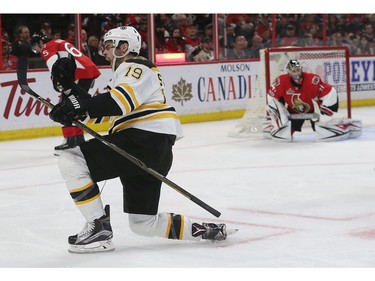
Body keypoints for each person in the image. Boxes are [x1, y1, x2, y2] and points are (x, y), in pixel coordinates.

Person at [48, 26, 231, 253]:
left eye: (108, 45)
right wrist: (68, 89)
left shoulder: (134, 67)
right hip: (154, 150)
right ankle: (206, 230)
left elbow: (117, 102)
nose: (103, 51)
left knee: (71, 158)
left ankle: (98, 228)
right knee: (143, 223)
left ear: (124, 47)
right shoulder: (128, 75)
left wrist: (75, 103)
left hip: (142, 140)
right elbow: (102, 114)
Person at [30, 32, 101, 155]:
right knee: (76, 105)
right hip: (87, 71)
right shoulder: (58, 42)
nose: (37, 50)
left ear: (40, 42)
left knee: (66, 106)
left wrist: (57, 79)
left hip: (79, 73)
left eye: (36, 46)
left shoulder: (46, 47)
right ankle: (78, 140)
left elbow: (53, 63)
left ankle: (70, 141)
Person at [264, 60, 361, 141]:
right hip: (294, 112)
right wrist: (280, 117)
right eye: (294, 71)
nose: (297, 73)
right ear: (289, 72)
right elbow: (272, 98)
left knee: (325, 132)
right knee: (285, 134)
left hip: (315, 112)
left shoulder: (312, 79)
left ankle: (347, 125)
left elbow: (330, 91)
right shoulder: (281, 81)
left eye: (298, 70)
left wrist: (325, 111)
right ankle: (272, 125)